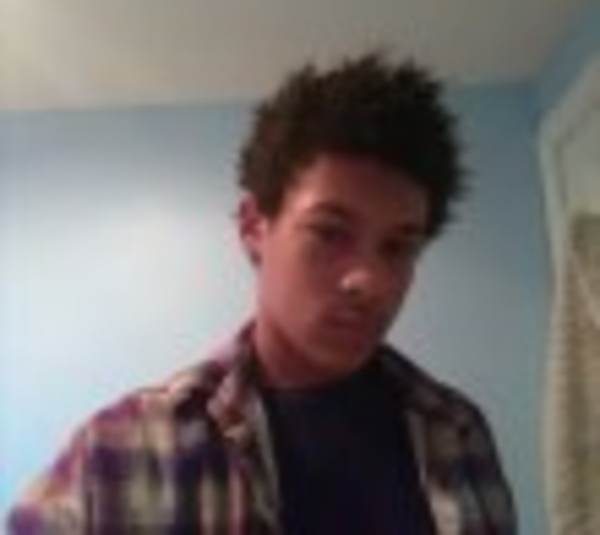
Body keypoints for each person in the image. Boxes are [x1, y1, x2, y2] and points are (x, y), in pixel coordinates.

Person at [8, 53, 516, 534]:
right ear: (254, 226)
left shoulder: (455, 430)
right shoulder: (122, 448)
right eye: (330, 232)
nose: (369, 279)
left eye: (398, 247)